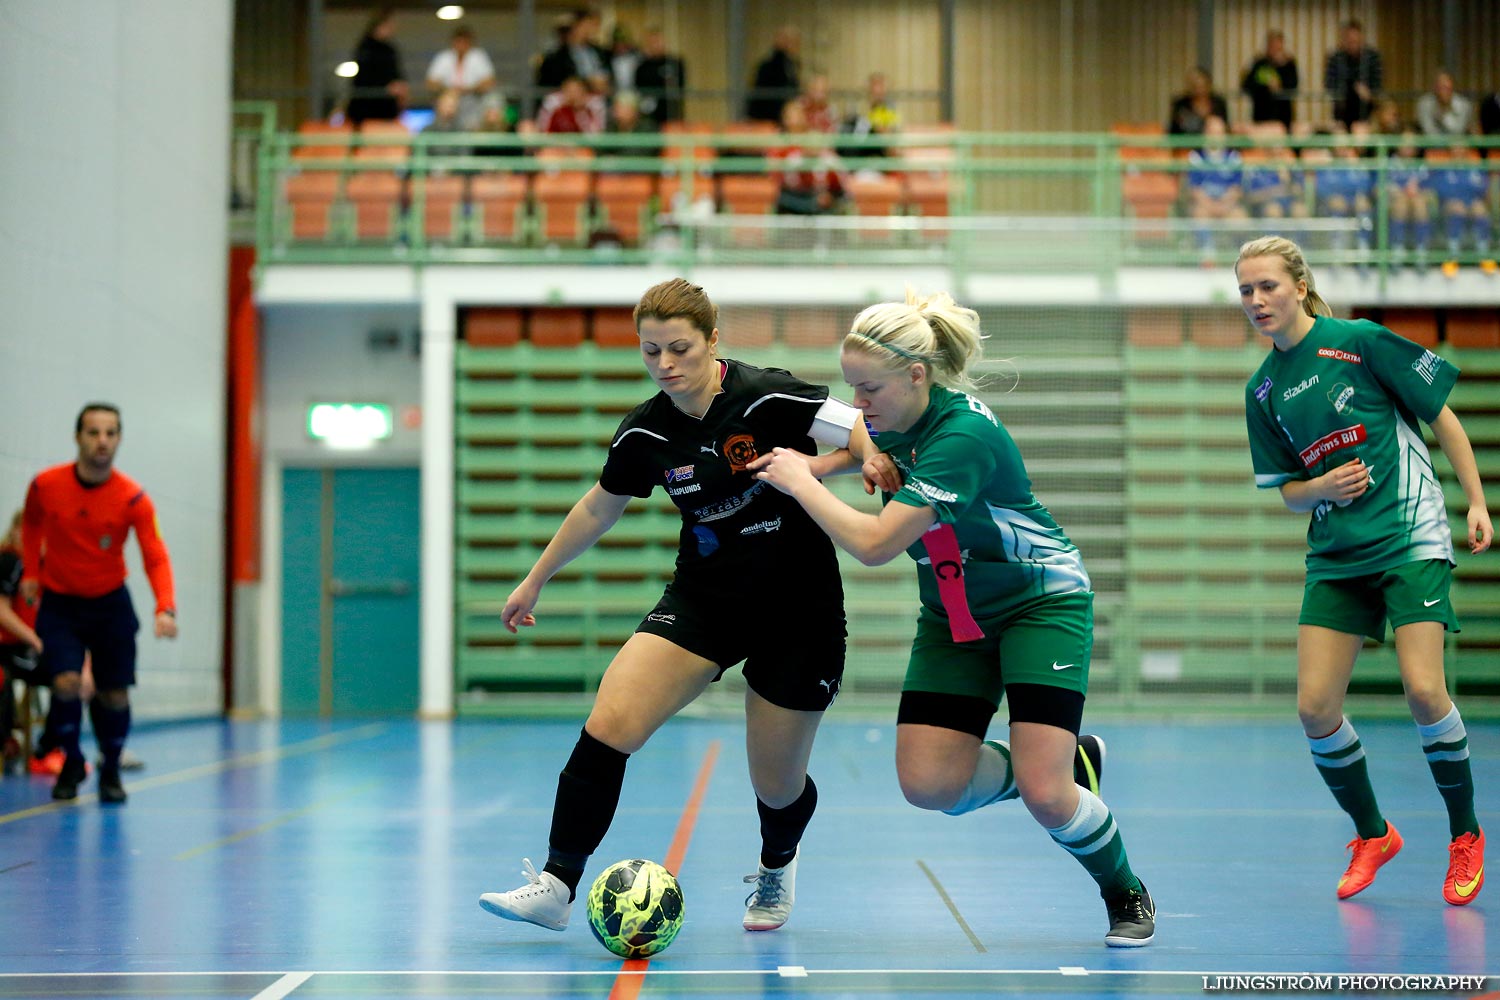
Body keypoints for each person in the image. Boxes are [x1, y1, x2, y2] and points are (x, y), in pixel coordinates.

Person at [476, 279, 885, 935]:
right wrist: (536, 578)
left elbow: (859, 428)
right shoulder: (645, 430)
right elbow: (598, 506)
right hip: (704, 599)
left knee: (777, 785)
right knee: (610, 721)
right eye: (650, 351)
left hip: (797, 608)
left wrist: (846, 464)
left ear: (713, 340)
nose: (665, 364)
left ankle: (778, 863)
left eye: (679, 348)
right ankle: (557, 883)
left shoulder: (768, 395)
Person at [749, 291, 1154, 948]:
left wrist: (803, 482)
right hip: (954, 616)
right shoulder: (886, 415)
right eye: (852, 386)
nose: (859, 403)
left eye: (868, 387)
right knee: (930, 786)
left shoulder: (962, 436)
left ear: (918, 375)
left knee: (1050, 797)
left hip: (1038, 603)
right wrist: (841, 457)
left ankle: (1124, 889)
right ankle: (1055, 761)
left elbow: (877, 544)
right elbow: (853, 441)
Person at [1237, 235, 1489, 906]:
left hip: (1410, 535)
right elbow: (1289, 489)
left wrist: (1477, 502)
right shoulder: (1262, 390)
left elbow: (1445, 420)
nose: (1257, 300)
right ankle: (1372, 833)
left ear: (1297, 285)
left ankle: (1465, 834)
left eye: (1267, 286)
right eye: (1246, 291)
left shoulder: (1360, 341)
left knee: (1423, 690)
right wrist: (1322, 486)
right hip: (1336, 554)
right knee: (1315, 709)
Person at [20, 403, 178, 803]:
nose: (102, 441)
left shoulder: (132, 498)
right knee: (66, 682)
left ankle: (110, 766)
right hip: (61, 602)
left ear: (119, 439)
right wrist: (32, 573)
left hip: (110, 603)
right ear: (78, 437)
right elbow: (33, 523)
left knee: (114, 694)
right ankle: (72, 761)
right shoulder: (46, 485)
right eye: (93, 432)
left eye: (110, 433)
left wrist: (166, 606)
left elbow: (155, 554)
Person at [0, 510, 43, 772]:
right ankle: (6, 738)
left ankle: (52, 745)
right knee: (2, 677)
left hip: (26, 647)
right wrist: (35, 639)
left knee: (66, 674)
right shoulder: (9, 560)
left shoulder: (41, 567)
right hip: (8, 645)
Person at [426, 25, 498, 131]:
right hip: (450, 99)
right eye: (458, 41)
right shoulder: (444, 57)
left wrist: (469, 89)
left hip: (474, 101)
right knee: (448, 101)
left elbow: (489, 82)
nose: (461, 45)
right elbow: (430, 83)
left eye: (464, 42)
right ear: (453, 42)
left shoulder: (478, 56)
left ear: (470, 42)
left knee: (494, 100)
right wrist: (449, 90)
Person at [346, 7, 408, 127]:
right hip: (367, 108)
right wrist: (386, 88)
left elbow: (397, 75)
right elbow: (363, 78)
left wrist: (401, 87)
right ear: (379, 25)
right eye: (389, 25)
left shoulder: (390, 49)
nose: (392, 28)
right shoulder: (364, 48)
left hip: (387, 110)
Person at [1324, 19, 1382, 130]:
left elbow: (1377, 85)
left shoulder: (1372, 57)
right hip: (1341, 111)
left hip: (1367, 112)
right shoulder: (1335, 58)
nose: (1352, 43)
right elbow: (1329, 84)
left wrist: (1369, 93)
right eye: (1349, 40)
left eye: (1355, 40)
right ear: (1343, 39)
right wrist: (1349, 88)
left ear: (1361, 38)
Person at [1241, 30, 1299, 131]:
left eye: (1278, 45)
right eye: (1272, 45)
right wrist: (1265, 86)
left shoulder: (1289, 64)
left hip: (1283, 115)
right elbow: (1246, 85)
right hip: (1261, 113)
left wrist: (1281, 68)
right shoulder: (1259, 63)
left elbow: (1293, 85)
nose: (1275, 48)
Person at [747, 27, 801, 123]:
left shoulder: (792, 65)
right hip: (768, 116)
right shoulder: (770, 66)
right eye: (790, 41)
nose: (794, 45)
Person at [633, 28, 685, 127]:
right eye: (652, 42)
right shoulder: (642, 66)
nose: (655, 45)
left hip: (671, 112)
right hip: (649, 114)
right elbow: (639, 88)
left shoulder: (674, 63)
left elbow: (680, 86)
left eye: (658, 41)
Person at [1168, 66, 1229, 136]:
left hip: (1213, 144)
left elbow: (1225, 127)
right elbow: (1173, 131)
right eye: (1194, 85)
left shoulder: (1219, 102)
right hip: (1186, 143)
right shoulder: (1180, 104)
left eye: (1202, 85)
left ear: (1209, 84)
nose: (1198, 89)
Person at [1416, 71, 1474, 139]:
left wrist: (1445, 114)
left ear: (1452, 88)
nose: (1443, 92)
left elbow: (1459, 131)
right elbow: (1429, 132)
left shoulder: (1464, 105)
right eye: (1441, 88)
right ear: (1435, 88)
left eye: (1447, 88)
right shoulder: (1424, 104)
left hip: (1456, 144)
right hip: (1432, 145)